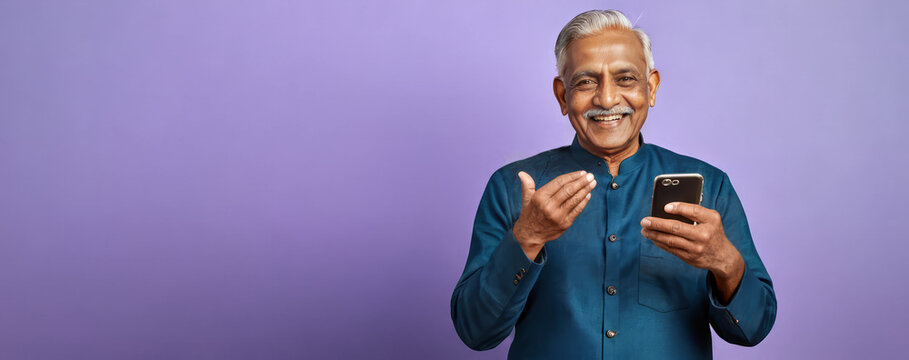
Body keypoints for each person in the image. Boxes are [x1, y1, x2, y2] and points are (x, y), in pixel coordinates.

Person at [450, 9, 776, 359]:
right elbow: (476, 331)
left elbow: (752, 329)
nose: (606, 99)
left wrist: (725, 262)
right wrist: (527, 236)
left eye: (625, 79)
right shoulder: (512, 187)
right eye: (586, 82)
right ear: (562, 95)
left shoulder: (711, 187)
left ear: (650, 88)